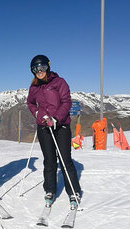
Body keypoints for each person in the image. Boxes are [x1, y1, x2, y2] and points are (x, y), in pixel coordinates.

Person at [27, 54, 82, 209]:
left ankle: (73, 191)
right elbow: (30, 103)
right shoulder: (34, 87)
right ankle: (50, 189)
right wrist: (38, 114)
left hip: (61, 126)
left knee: (65, 160)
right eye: (36, 69)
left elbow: (66, 102)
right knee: (49, 160)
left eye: (42, 67)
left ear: (48, 67)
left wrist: (56, 118)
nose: (39, 71)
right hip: (44, 127)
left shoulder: (59, 82)